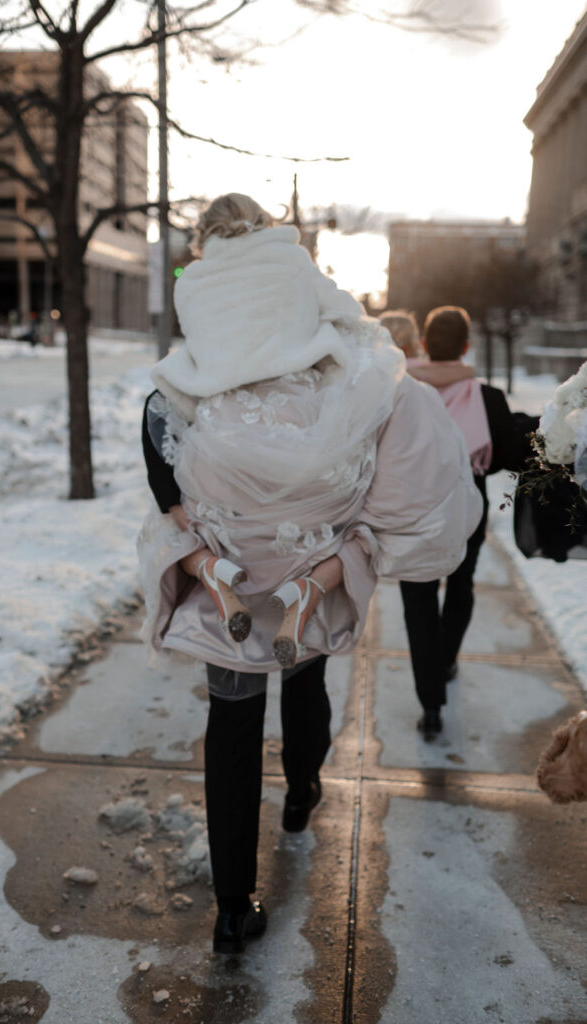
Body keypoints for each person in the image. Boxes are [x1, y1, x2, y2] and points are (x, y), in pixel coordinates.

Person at [138, 195, 482, 955]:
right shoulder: (293, 265)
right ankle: (300, 790)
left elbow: (191, 374)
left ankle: (233, 907)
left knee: (228, 721)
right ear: (264, 225)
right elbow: (350, 331)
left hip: (229, 503)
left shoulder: (193, 281)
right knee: (305, 680)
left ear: (204, 238)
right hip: (304, 506)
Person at [399, 305, 533, 740]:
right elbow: (513, 452)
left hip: (411, 511)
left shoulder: (400, 389)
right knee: (461, 587)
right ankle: (446, 661)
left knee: (418, 604)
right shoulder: (487, 398)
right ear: (467, 347)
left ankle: (430, 703)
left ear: (424, 345)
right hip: (465, 511)